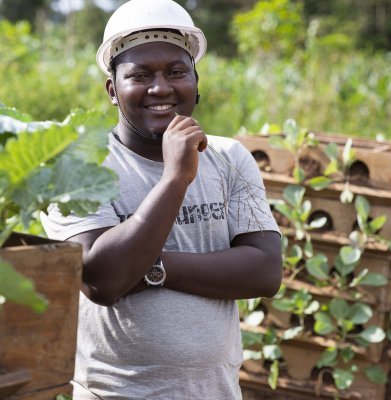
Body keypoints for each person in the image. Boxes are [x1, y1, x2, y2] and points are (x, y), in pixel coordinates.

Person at [40, 0, 282, 398]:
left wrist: (148, 267)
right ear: (112, 90)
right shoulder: (77, 166)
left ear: (196, 82)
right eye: (140, 75)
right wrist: (175, 178)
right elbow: (102, 279)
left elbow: (264, 271)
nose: (161, 88)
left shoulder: (230, 158)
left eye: (176, 72)